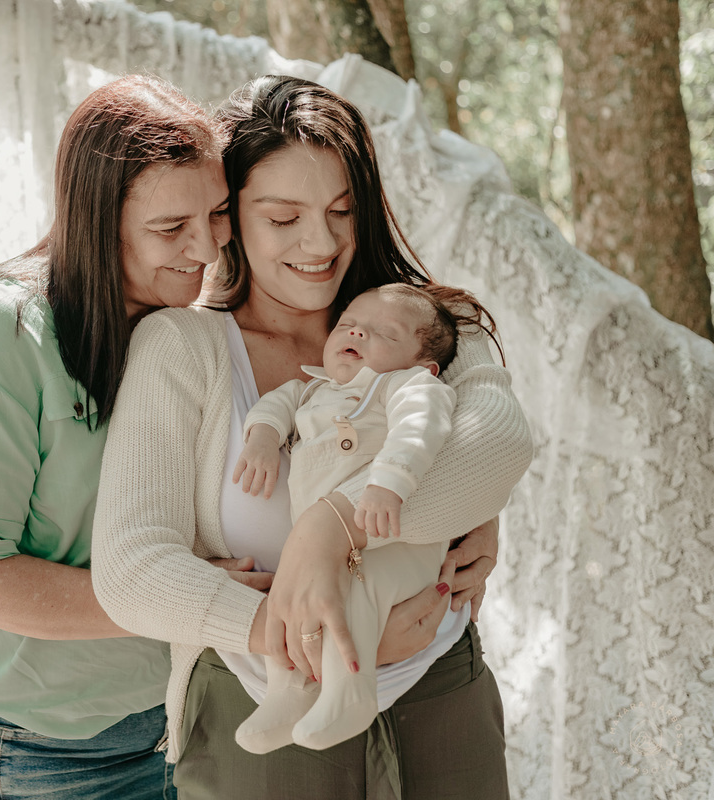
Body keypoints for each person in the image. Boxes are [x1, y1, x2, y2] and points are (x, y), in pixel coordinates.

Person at [92, 74, 534, 799]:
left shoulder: (422, 322)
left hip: (439, 686)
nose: (320, 242)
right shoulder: (183, 347)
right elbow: (130, 568)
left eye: (341, 210)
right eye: (282, 216)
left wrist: (328, 532)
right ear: (229, 216)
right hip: (262, 697)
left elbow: (499, 446)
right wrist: (310, 639)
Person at [0, 73, 237, 800]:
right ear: (95, 218)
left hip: (160, 723)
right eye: (171, 228)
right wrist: (188, 599)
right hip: (16, 736)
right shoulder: (3, 334)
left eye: (219, 213)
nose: (206, 248)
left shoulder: (187, 328)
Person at [232, 283, 503, 754]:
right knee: (294, 597)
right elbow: (276, 404)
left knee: (359, 592)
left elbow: (423, 426)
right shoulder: (313, 389)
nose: (357, 330)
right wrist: (261, 438)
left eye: (384, 332)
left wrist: (388, 483)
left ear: (424, 364)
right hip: (332, 551)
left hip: (400, 541)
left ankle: (350, 693)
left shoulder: (406, 386)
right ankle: (286, 693)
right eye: (348, 323)